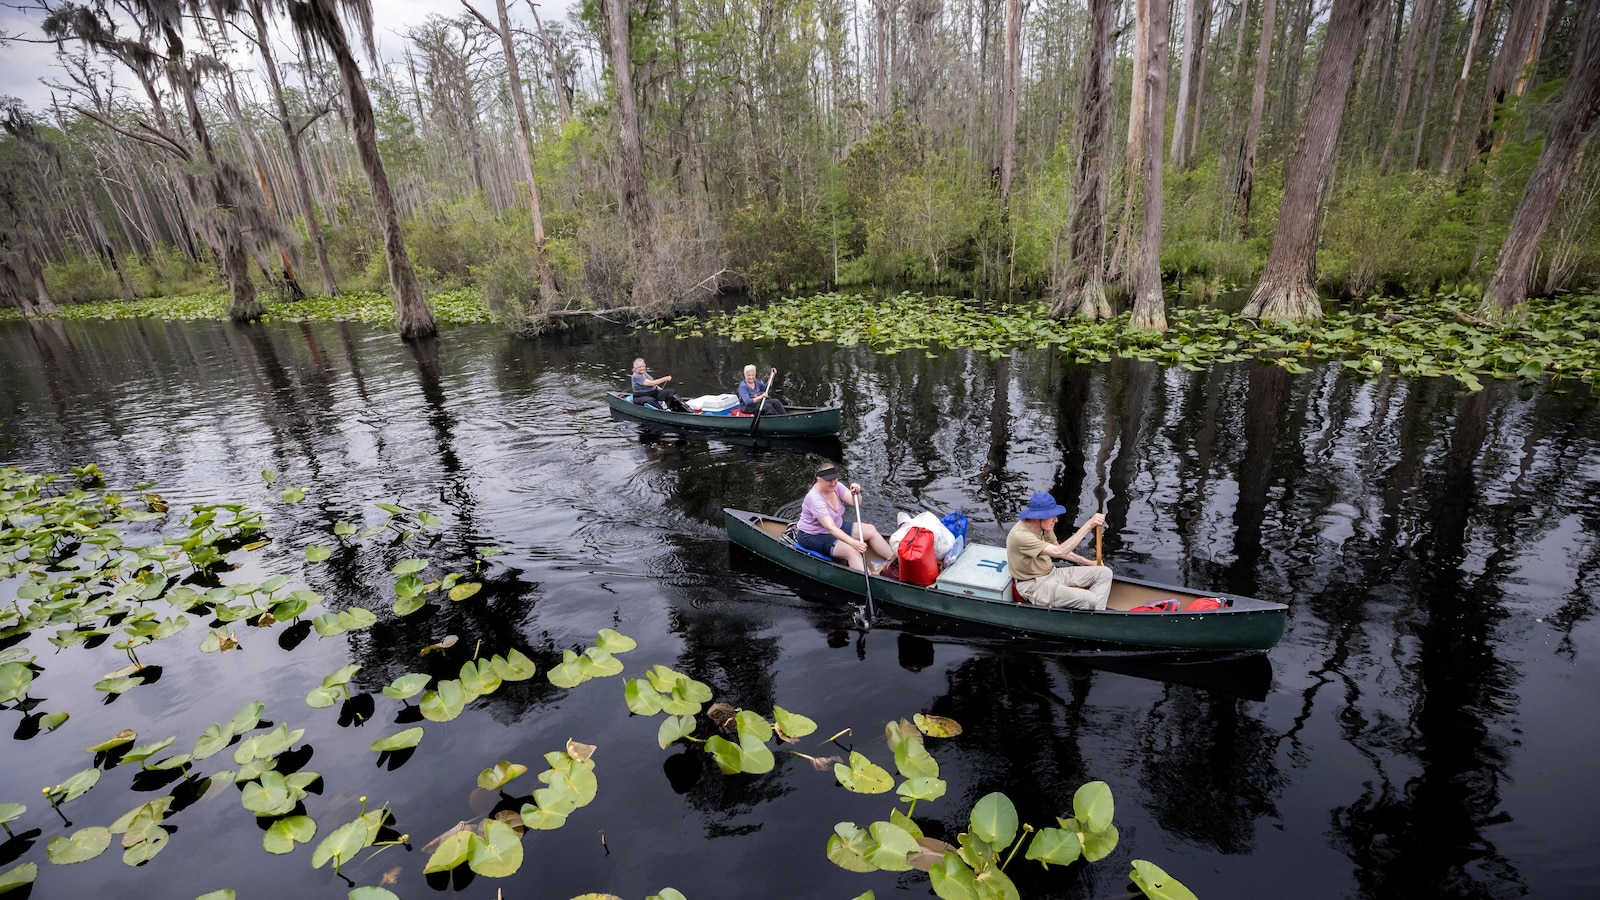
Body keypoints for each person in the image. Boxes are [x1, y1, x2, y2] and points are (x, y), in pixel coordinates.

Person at [1005, 491, 1112, 610]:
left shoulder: (1044, 526)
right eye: (1052, 516)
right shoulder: (1021, 536)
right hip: (1034, 585)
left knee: (1105, 572)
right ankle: (1094, 614)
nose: (1056, 520)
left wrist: (1088, 562)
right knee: (1089, 598)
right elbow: (1059, 552)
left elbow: (1060, 550)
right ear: (1038, 517)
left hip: (1052, 572)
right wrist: (1088, 526)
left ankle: (1096, 614)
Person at [795, 464, 893, 573]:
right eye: (829, 480)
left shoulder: (837, 486)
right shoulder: (815, 498)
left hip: (837, 526)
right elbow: (830, 527)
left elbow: (855, 502)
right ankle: (871, 579)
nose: (833, 483)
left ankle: (894, 560)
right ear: (819, 479)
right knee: (852, 551)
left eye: (835, 479)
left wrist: (856, 493)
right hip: (813, 535)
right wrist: (853, 542)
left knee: (871, 530)